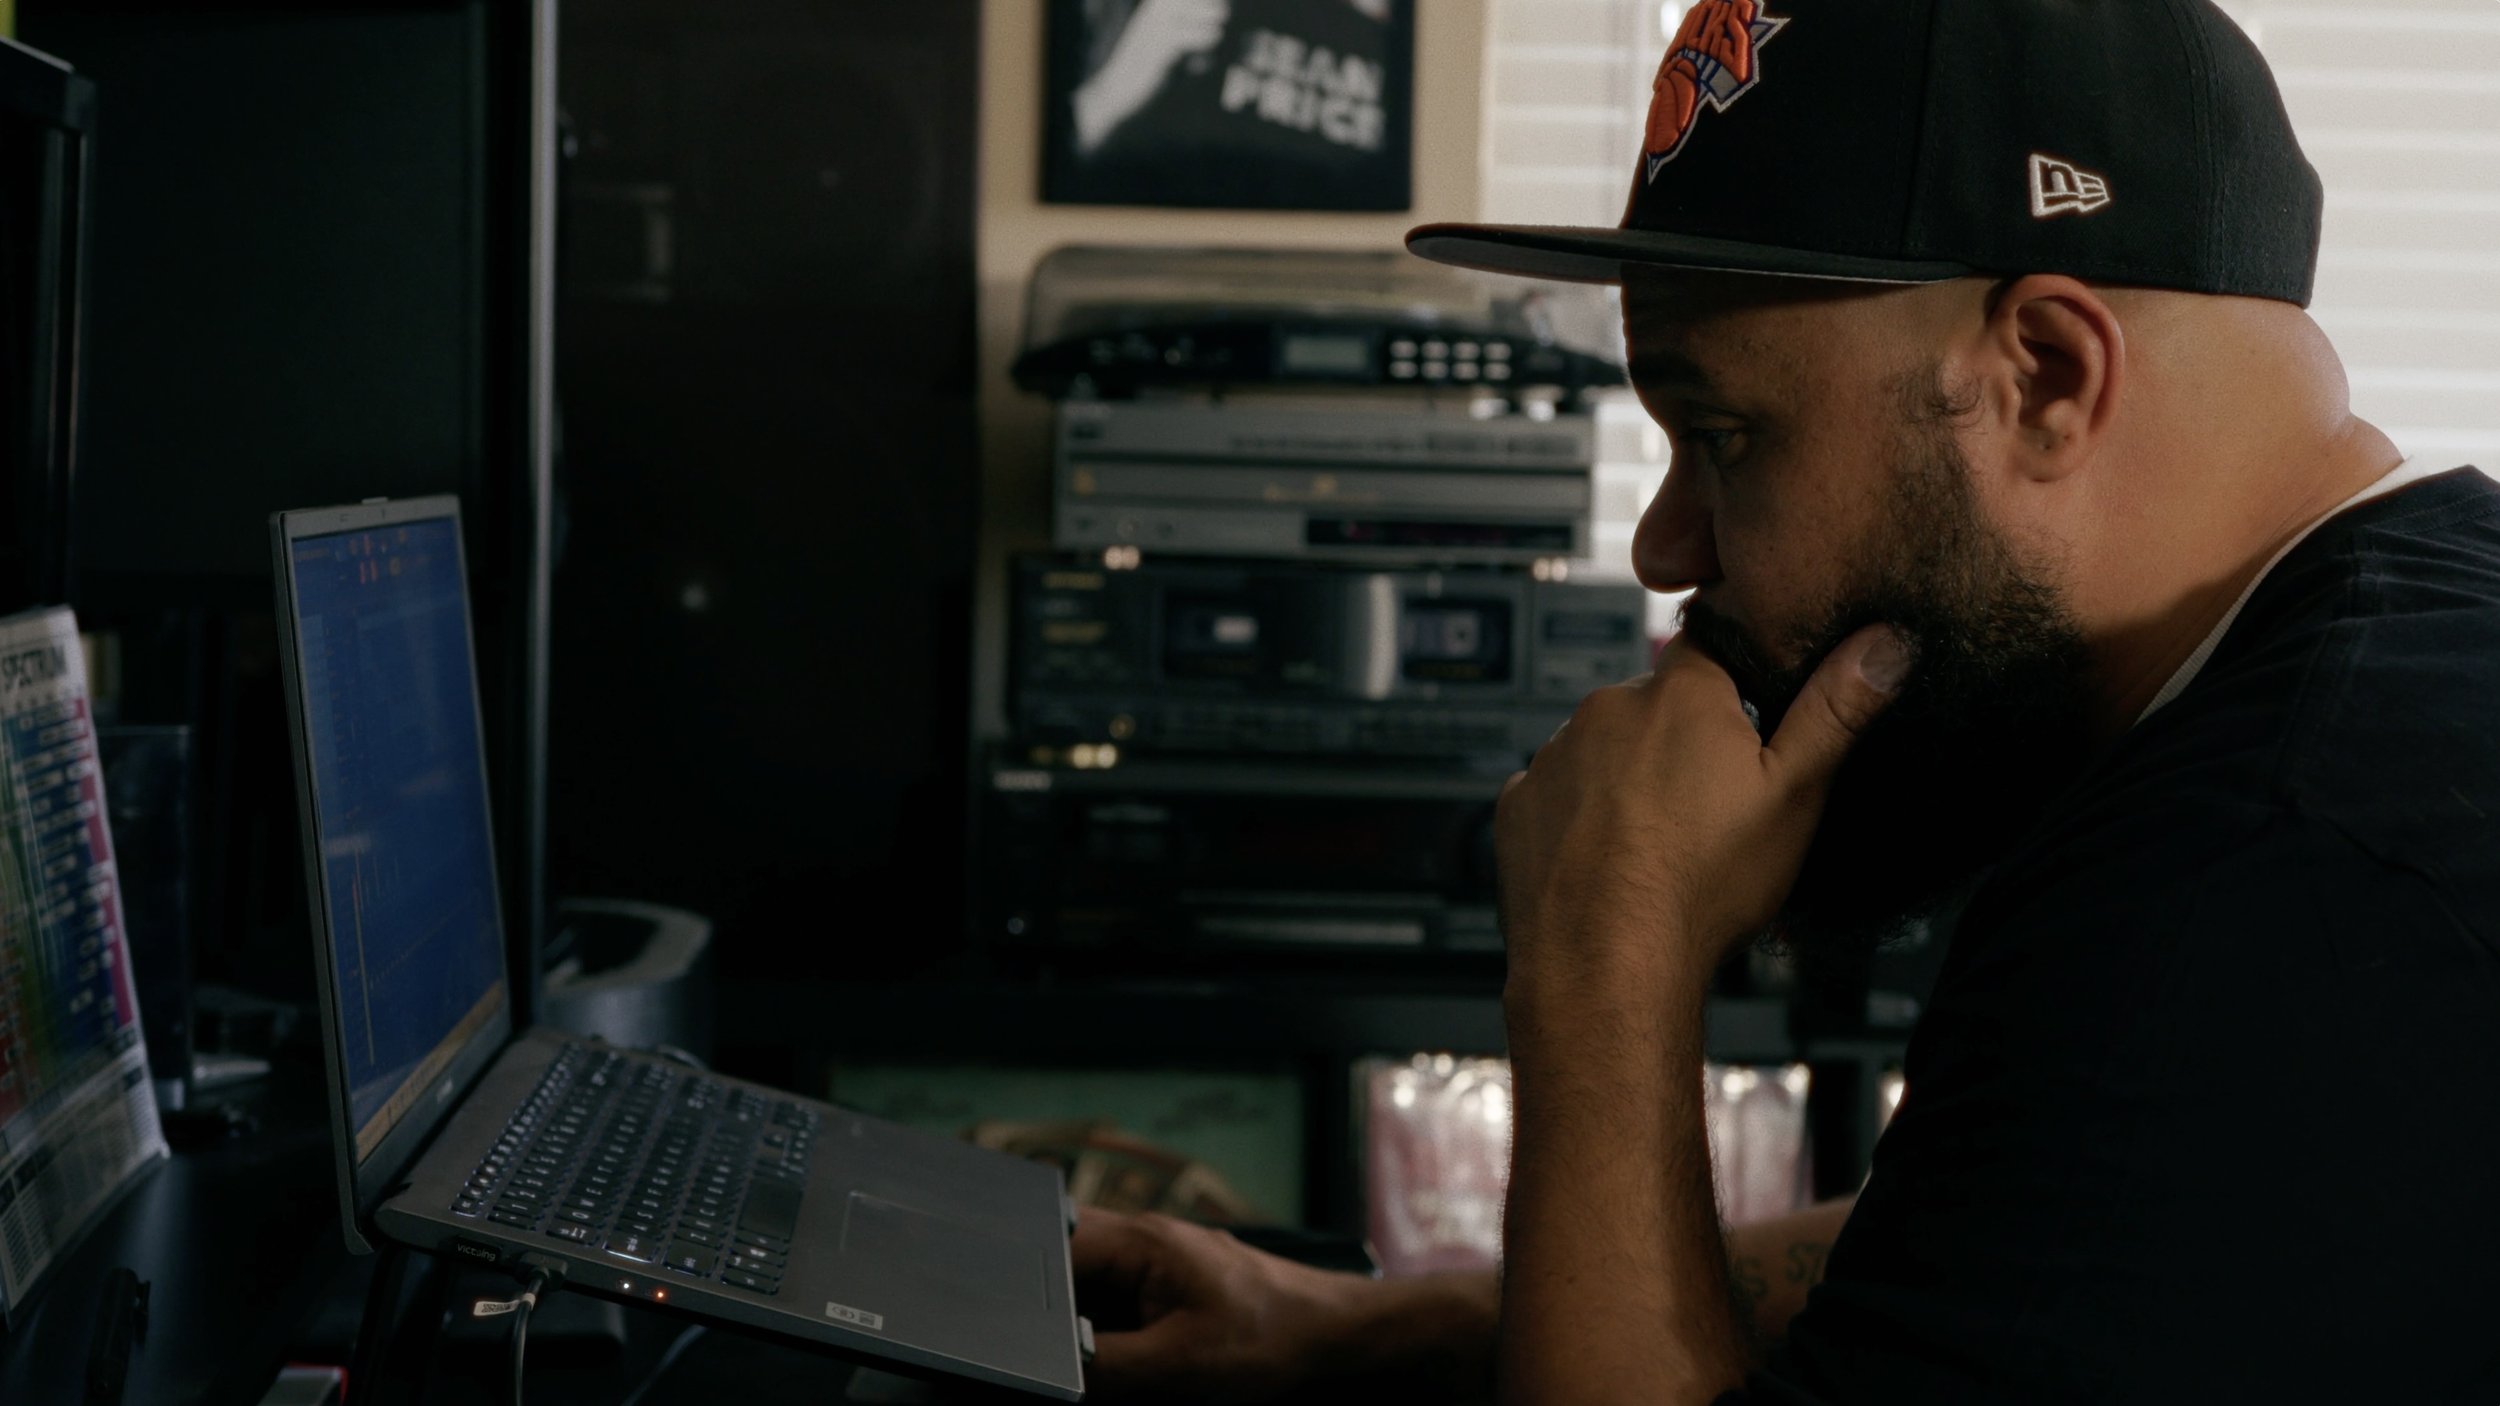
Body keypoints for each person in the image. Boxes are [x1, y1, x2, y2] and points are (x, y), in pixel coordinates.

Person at [1072, 1, 2500, 1401]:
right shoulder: (2390, 670)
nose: (1664, 547)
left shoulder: (2278, 875)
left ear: (2047, 377)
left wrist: (1605, 960)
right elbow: (2018, 1246)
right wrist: (1370, 1326)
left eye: (1725, 435)